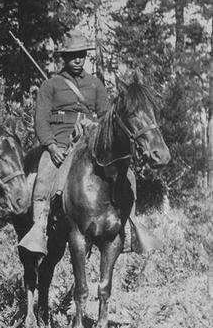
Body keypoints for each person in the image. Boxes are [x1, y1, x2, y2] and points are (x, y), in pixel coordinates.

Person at [19, 34, 157, 254]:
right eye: (73, 56)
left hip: (91, 143)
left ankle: (130, 227)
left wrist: (91, 123)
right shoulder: (50, 85)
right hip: (61, 143)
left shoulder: (95, 84)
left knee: (128, 176)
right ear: (64, 58)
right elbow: (41, 121)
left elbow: (106, 117)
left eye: (81, 55)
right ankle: (39, 229)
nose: (78, 60)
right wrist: (52, 147)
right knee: (44, 178)